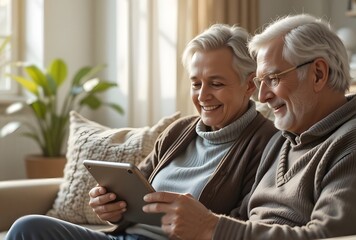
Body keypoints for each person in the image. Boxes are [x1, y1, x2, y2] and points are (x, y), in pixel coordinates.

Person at [138, 14, 356, 239]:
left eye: (273, 78)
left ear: (319, 74)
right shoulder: (282, 140)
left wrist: (210, 226)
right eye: (260, 81)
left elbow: (326, 236)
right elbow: (241, 219)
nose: (262, 95)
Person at [5, 24, 277, 240]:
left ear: (250, 85)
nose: (203, 95)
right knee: (28, 228)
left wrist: (201, 224)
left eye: (216, 83)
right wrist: (112, 208)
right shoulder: (179, 131)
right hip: (127, 237)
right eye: (196, 84)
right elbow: (139, 188)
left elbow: (251, 226)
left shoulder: (267, 143)